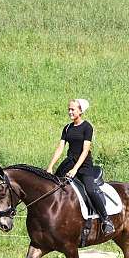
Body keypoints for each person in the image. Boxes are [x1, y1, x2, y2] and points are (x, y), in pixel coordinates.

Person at [46, 99, 115, 235]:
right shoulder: (67, 128)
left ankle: (106, 220)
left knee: (89, 189)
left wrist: (75, 170)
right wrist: (50, 167)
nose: (70, 112)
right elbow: (60, 148)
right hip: (69, 163)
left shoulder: (87, 127)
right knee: (54, 186)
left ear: (80, 111)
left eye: (73, 109)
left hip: (84, 165)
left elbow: (85, 151)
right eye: (69, 109)